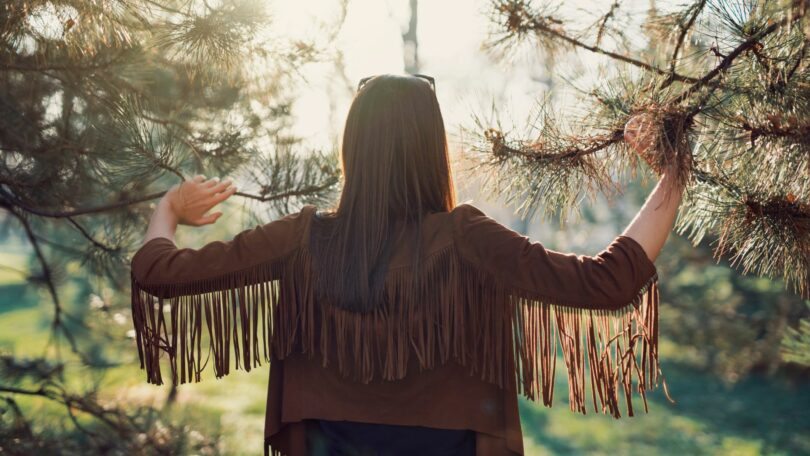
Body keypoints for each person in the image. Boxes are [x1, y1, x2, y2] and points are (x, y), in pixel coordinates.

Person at [130, 74, 684, 456]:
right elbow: (608, 280)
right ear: (430, 147)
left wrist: (170, 209)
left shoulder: (302, 239)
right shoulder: (466, 238)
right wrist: (673, 174)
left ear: (354, 149)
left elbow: (158, 272)